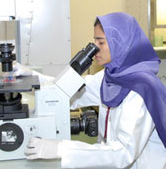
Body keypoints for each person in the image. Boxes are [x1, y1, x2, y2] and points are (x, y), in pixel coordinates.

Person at [24, 12, 166, 169]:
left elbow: (123, 153)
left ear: (120, 43)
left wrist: (61, 149)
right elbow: (66, 93)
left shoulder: (143, 88)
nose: (95, 49)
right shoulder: (110, 76)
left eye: (101, 42)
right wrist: (29, 76)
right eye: (94, 41)